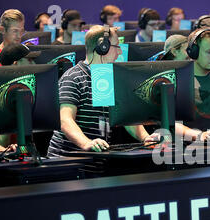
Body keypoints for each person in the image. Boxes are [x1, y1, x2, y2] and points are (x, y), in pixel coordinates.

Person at [47, 25, 158, 156]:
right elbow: (65, 120)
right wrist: (86, 143)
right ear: (102, 48)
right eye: (117, 46)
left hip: (95, 159)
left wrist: (146, 138)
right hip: (67, 161)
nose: (120, 52)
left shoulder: (107, 77)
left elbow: (125, 118)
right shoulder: (73, 77)